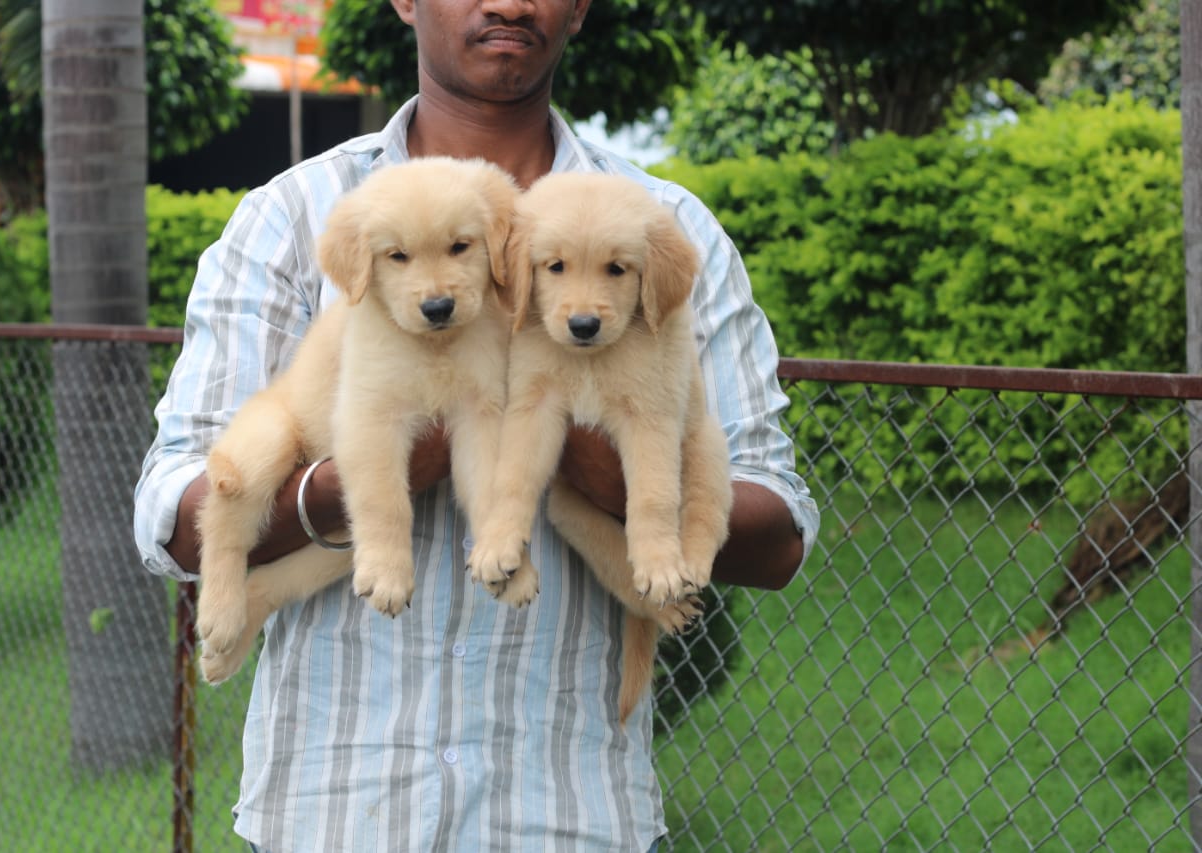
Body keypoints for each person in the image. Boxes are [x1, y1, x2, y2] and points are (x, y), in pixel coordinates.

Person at [133, 0, 820, 849]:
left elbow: (780, 531)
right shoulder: (296, 215)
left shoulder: (665, 231)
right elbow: (171, 513)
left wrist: (583, 455)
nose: (509, 2)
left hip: (566, 811)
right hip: (339, 804)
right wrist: (362, 477)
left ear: (580, 7)